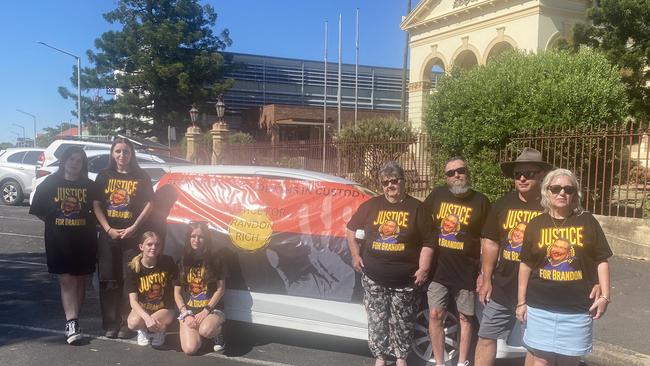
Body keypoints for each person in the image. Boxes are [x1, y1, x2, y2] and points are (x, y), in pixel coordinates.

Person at [517, 169, 612, 366]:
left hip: (576, 310)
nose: (562, 193)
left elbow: (601, 259)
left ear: (574, 194)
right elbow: (525, 265)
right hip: (539, 308)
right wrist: (521, 302)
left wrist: (605, 296)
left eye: (568, 189)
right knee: (541, 360)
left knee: (569, 361)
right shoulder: (536, 224)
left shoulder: (587, 221)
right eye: (556, 188)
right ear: (547, 191)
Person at [346, 161, 434, 366]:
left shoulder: (418, 209)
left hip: (405, 280)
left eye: (394, 181)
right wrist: (355, 255)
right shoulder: (370, 206)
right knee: (377, 320)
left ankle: (401, 358)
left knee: (403, 321)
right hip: (374, 278)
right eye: (385, 182)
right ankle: (380, 357)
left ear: (403, 181)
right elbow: (351, 229)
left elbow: (429, 242)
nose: (390, 186)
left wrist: (423, 268)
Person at [474, 147, 552, 366]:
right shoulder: (502, 204)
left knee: (533, 345)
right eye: (518, 174)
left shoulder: (551, 207)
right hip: (504, 285)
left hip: (537, 288)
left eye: (529, 173)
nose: (522, 178)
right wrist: (486, 277)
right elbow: (490, 242)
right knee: (486, 336)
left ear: (541, 176)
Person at [423, 156, 490, 366]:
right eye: (450, 173)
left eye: (460, 170)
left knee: (465, 318)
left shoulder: (481, 201)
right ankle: (440, 362)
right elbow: (422, 223)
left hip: (467, 271)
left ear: (467, 172)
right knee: (435, 315)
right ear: (446, 177)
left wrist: (483, 273)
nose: (456, 175)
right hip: (438, 270)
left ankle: (461, 362)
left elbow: (486, 240)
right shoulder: (437, 195)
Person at [29, 146, 98, 344]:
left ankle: (75, 316)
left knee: (79, 280)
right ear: (64, 161)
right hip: (58, 241)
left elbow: (98, 210)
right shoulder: (50, 183)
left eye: (79, 160)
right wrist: (56, 223)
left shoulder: (90, 186)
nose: (75, 163)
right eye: (72, 159)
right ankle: (72, 322)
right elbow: (40, 211)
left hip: (84, 240)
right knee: (66, 280)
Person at [93, 137, 154, 338]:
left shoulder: (141, 176)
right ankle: (111, 323)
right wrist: (107, 228)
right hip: (108, 236)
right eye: (118, 151)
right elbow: (96, 204)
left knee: (130, 279)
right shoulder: (103, 175)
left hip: (131, 236)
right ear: (112, 153)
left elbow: (149, 204)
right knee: (109, 280)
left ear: (132, 154)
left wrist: (135, 226)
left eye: (126, 152)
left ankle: (129, 323)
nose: (122, 155)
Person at [174, 221, 227, 355]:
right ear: (188, 238)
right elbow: (177, 293)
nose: (196, 240)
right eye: (193, 236)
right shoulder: (182, 260)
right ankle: (198, 331)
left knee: (206, 330)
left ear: (206, 239)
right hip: (190, 312)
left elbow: (220, 289)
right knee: (190, 349)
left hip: (211, 309)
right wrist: (185, 314)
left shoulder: (216, 259)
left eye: (201, 237)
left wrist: (206, 311)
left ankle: (217, 332)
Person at [125, 231, 177, 347]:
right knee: (133, 323)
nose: (153, 247)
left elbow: (176, 289)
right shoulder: (133, 267)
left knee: (154, 321)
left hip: (164, 308)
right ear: (141, 247)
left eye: (157, 244)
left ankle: (159, 330)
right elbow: (133, 300)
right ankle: (143, 330)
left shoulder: (167, 262)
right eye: (149, 244)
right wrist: (146, 318)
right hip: (144, 307)